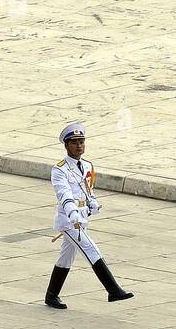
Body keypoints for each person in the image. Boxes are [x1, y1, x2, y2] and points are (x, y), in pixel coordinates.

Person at [44, 123, 133, 309]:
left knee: (65, 258)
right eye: (74, 142)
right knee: (92, 250)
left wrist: (92, 201)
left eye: (81, 142)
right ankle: (113, 290)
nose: (79, 146)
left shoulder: (87, 166)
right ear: (66, 146)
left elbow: (87, 189)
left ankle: (51, 295)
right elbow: (64, 194)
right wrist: (72, 213)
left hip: (82, 218)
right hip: (69, 221)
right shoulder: (59, 169)